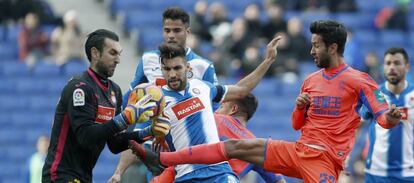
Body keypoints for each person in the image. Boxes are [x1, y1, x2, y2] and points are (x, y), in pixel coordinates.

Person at [129, 20, 403, 183]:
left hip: (325, 160)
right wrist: (299, 107)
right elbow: (297, 125)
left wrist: (390, 117)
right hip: (298, 150)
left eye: (316, 45)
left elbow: (382, 118)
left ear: (333, 47)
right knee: (233, 146)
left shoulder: (360, 80)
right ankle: (161, 158)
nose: (311, 50)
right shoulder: (311, 80)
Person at [130, 36, 281, 182]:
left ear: (187, 67)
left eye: (177, 68)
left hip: (218, 171)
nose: (172, 74)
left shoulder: (202, 87)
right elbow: (147, 128)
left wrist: (268, 61)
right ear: (161, 70)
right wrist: (160, 137)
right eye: (167, 69)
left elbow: (241, 90)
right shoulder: (157, 99)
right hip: (185, 175)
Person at [41, 29, 169, 182]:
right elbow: (86, 137)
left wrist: (148, 132)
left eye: (119, 54)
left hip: (84, 177)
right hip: (60, 176)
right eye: (112, 53)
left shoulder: (114, 91)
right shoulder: (80, 88)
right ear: (95, 53)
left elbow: (114, 143)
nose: (118, 60)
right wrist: (124, 118)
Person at [109, 7, 219, 182]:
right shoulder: (148, 60)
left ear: (187, 31)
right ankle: (118, 173)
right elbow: (132, 94)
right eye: (167, 30)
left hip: (184, 133)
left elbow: (213, 108)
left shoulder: (202, 65)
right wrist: (114, 115)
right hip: (152, 128)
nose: (171, 35)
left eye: (177, 30)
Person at [126, 94, 287, 183]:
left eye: (222, 106)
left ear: (233, 109)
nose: (217, 109)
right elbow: (278, 181)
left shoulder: (209, 119)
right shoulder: (255, 145)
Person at [361, 47, 414, 183]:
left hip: (409, 174)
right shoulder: (374, 93)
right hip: (376, 173)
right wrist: (345, 155)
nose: (391, 67)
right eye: (388, 63)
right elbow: (356, 125)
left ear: (407, 67)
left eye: (396, 63)